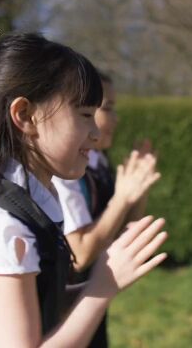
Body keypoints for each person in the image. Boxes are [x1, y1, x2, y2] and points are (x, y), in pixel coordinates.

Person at [0, 33, 168, 347]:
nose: (96, 131)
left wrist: (92, 286)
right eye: (85, 115)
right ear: (24, 115)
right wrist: (101, 289)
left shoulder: (24, 207)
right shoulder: (3, 228)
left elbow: (37, 297)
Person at [52, 73, 160, 347]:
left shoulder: (99, 164)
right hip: (63, 312)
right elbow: (80, 254)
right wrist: (122, 198)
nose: (116, 119)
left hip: (90, 299)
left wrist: (138, 190)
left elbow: (122, 232)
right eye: (107, 108)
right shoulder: (64, 171)